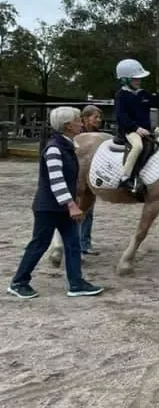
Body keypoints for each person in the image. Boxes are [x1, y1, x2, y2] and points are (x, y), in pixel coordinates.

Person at [7, 106, 104, 299]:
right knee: (39, 244)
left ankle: (76, 283)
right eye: (77, 120)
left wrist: (75, 200)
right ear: (68, 125)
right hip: (49, 208)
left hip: (61, 207)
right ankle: (18, 282)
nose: (80, 123)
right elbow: (56, 180)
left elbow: (70, 179)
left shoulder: (67, 146)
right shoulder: (54, 149)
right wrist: (72, 204)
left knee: (73, 244)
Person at [114, 58, 159, 195]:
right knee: (138, 146)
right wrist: (136, 128)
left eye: (139, 79)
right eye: (135, 79)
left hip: (145, 130)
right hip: (130, 131)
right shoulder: (121, 95)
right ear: (125, 80)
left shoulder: (142, 93)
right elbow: (122, 117)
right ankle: (125, 177)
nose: (139, 81)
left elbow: (158, 101)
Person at [78, 105, 104, 255]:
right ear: (85, 118)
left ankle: (85, 243)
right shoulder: (78, 135)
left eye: (100, 117)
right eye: (96, 117)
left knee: (88, 211)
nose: (99, 120)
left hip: (90, 177)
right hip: (79, 177)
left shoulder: (97, 136)